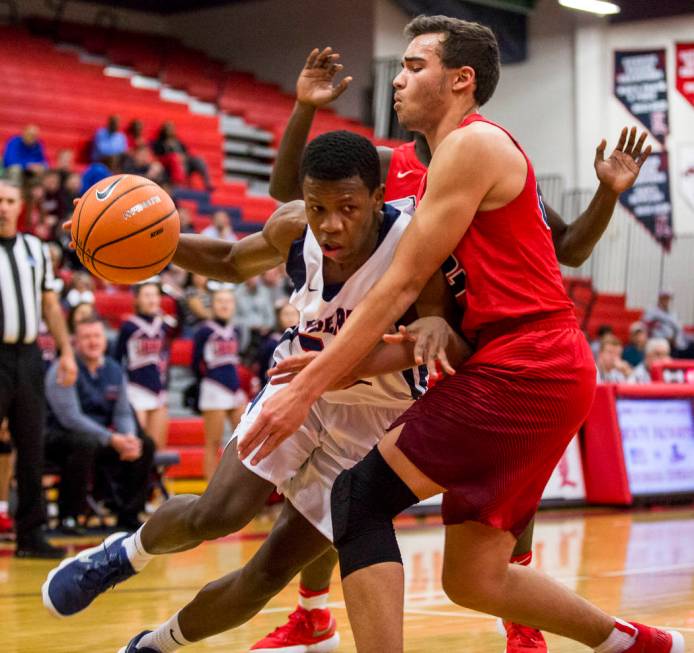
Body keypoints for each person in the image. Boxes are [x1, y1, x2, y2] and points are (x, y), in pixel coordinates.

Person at [238, 17, 678, 653]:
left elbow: (399, 284)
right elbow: (300, 194)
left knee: (357, 498)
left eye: (416, 65)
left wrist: (307, 385)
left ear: (461, 80)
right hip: (519, 362)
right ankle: (638, 645)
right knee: (474, 580)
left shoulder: (474, 146)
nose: (398, 77)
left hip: (524, 360)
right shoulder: (423, 160)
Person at [42, 131, 464, 652]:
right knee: (216, 514)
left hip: (374, 421)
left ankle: (155, 646)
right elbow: (228, 263)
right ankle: (124, 554)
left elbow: (445, 334)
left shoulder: (417, 245)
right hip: (295, 386)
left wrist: (423, 336)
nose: (330, 224)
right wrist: (125, 238)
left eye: (348, 208)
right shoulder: (294, 228)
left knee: (265, 575)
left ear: (379, 198)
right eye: (317, 207)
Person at [0, 178, 76, 558]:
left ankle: (31, 535)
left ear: (20, 206)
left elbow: (50, 304)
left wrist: (65, 351)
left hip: (29, 357)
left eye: (9, 200)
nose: (3, 207)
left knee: (31, 445)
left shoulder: (35, 248)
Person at [44, 317, 155, 534]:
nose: (93, 342)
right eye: (86, 337)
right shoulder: (64, 368)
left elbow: (122, 412)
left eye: (97, 336)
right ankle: (69, 516)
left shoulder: (114, 369)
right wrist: (113, 439)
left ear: (105, 340)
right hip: (58, 437)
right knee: (84, 443)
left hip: (99, 437)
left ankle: (129, 515)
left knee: (145, 444)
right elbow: (70, 418)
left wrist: (128, 438)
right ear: (75, 342)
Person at [193, 288, 247, 479]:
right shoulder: (204, 331)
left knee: (244, 439)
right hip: (213, 388)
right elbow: (195, 362)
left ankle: (237, 487)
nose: (224, 305)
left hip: (234, 389)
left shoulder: (236, 330)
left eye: (228, 301)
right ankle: (210, 492)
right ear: (213, 305)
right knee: (213, 442)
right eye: (220, 301)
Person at [114, 282, 174, 451]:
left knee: (158, 448)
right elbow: (117, 359)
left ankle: (158, 478)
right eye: (147, 295)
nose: (152, 300)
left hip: (158, 391)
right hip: (135, 390)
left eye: (155, 295)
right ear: (137, 299)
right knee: (138, 446)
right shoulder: (129, 326)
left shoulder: (164, 326)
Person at [152, 121, 213, 191]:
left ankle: (207, 183)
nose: (171, 131)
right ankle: (179, 184)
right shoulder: (160, 142)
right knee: (175, 160)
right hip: (170, 164)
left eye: (172, 129)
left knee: (198, 160)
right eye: (169, 129)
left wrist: (183, 157)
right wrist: (176, 157)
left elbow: (186, 152)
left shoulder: (178, 141)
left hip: (184, 162)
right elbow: (159, 155)